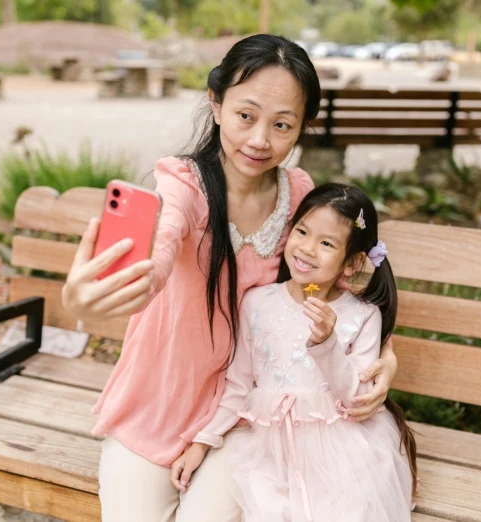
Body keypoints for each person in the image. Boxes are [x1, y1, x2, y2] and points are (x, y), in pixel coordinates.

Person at [60, 34, 400, 522]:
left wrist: (386, 359)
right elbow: (159, 250)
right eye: (246, 115)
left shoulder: (298, 194)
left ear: (302, 128)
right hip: (159, 402)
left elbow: (339, 291)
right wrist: (93, 299)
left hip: (247, 417)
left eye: (282, 125)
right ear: (215, 104)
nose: (260, 140)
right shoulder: (181, 183)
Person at [170, 183, 417, 522]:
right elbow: (239, 385)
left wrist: (326, 343)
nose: (308, 248)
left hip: (338, 452)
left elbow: (357, 399)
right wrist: (202, 442)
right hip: (267, 450)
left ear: (353, 262)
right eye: (302, 231)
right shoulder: (258, 302)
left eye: (327, 243)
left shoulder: (362, 316)